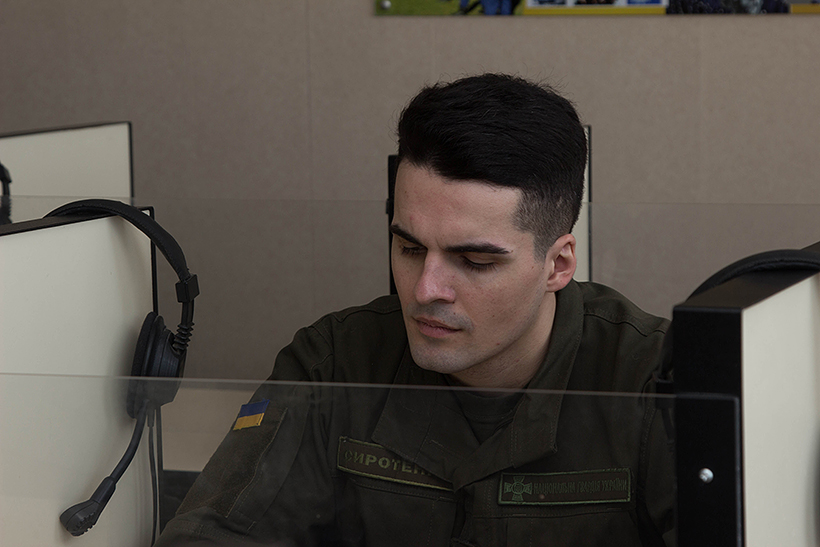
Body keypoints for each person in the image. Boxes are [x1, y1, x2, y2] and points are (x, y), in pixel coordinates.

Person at [156, 73, 675, 546]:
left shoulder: (653, 382)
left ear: (557, 265)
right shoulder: (333, 363)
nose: (425, 289)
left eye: (473, 261)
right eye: (408, 248)